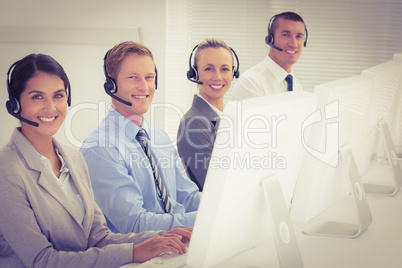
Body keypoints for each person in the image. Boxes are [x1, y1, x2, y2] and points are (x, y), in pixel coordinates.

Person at [0, 53, 192, 267]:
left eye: (58, 96)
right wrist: (133, 252)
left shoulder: (73, 158)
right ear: (15, 104)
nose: (51, 107)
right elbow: (42, 261)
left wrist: (158, 237)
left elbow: (99, 238)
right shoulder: (7, 171)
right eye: (37, 97)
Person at [80, 41, 202, 234]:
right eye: (133, 77)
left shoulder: (159, 137)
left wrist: (222, 206)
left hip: (180, 245)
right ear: (111, 84)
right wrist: (206, 219)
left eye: (149, 77)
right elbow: (136, 224)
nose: (144, 86)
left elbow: (187, 197)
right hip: (139, 258)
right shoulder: (99, 148)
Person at [176, 37, 239, 191]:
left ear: (233, 72)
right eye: (209, 69)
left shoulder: (230, 116)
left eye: (225, 69)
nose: (218, 77)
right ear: (195, 73)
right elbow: (217, 186)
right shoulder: (193, 124)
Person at [232, 11, 308, 100]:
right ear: (270, 39)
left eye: (299, 36)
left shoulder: (295, 85)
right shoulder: (250, 84)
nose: (294, 44)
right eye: (286, 35)